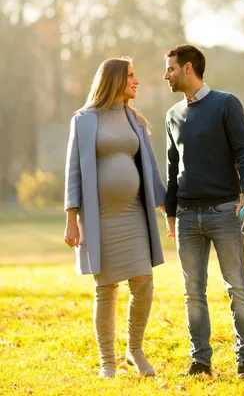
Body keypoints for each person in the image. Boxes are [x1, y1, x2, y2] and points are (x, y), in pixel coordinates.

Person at [64, 57, 166, 379]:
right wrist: (71, 219)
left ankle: (134, 349)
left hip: (134, 214)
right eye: (131, 76)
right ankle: (107, 362)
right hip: (101, 217)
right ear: (115, 79)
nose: (137, 82)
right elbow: (74, 173)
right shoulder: (84, 120)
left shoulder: (134, 118)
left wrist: (167, 212)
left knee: (144, 283)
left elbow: (149, 165)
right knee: (106, 288)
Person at [163, 44, 244, 378]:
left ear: (188, 68)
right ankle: (200, 361)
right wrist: (170, 214)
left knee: (237, 287)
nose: (166, 75)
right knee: (193, 292)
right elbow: (172, 168)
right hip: (187, 216)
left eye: (170, 68)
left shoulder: (226, 104)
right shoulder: (172, 115)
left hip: (225, 212)